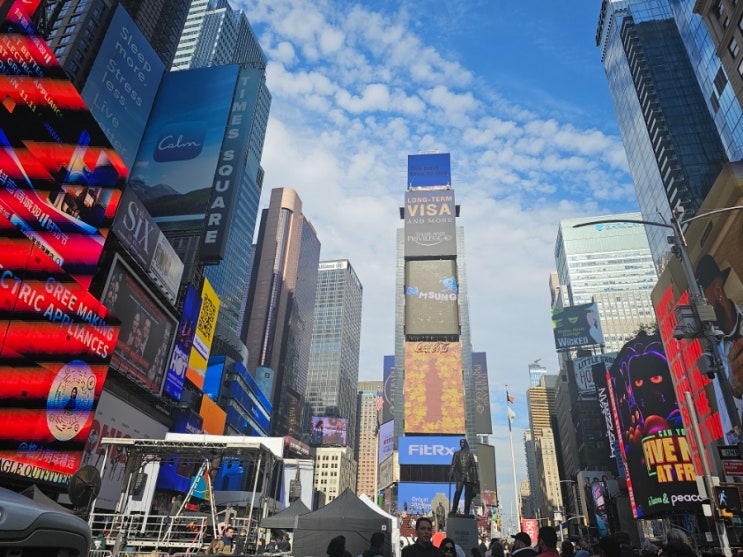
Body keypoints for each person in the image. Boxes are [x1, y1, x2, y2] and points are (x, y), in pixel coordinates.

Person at [696, 253, 743, 442]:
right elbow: (728, 426)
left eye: (703, 305)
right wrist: (736, 392)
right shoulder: (713, 353)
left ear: (717, 290)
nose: (701, 315)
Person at [450, 439, 478, 515]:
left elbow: (474, 467)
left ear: (465, 444)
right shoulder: (456, 454)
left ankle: (466, 511)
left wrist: (475, 479)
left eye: (463, 443)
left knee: (467, 495)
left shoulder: (470, 455)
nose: (461, 444)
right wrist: (451, 473)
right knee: (458, 492)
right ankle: (454, 509)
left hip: (469, 477)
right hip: (460, 476)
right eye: (460, 443)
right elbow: (453, 465)